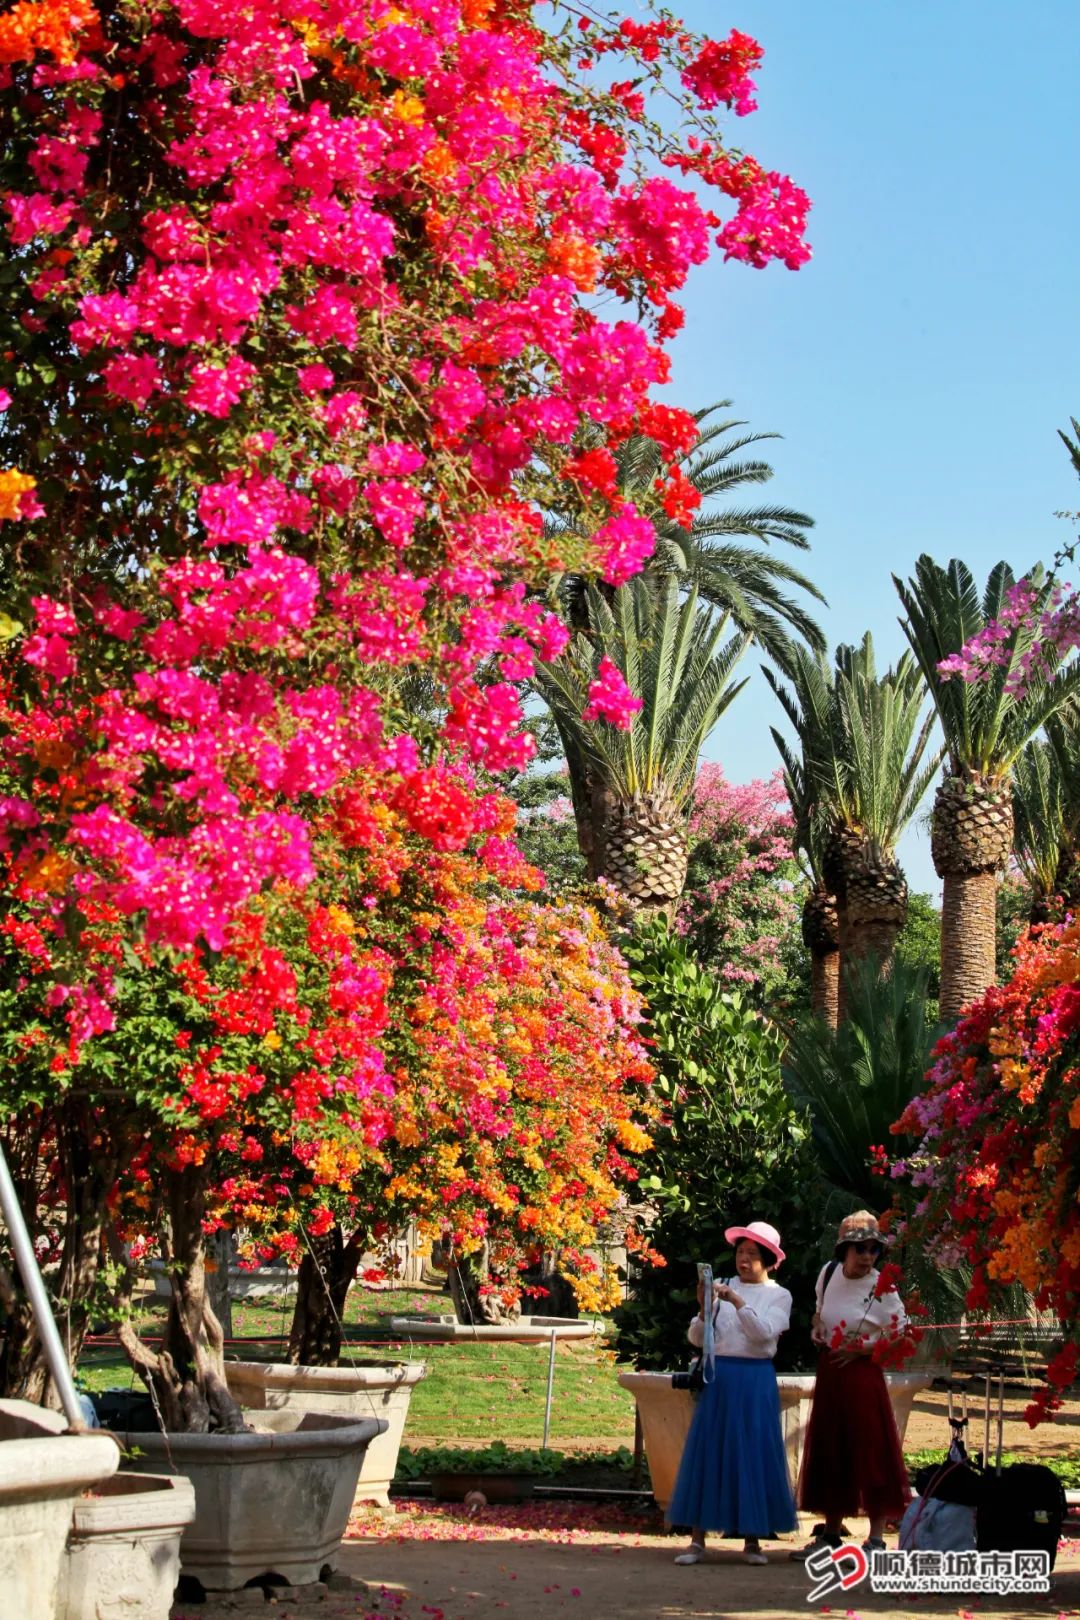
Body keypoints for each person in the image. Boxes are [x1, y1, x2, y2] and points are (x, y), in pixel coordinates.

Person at [668, 1219, 798, 1566]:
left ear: (768, 1259)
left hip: (754, 1379)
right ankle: (697, 1540)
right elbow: (697, 1338)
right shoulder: (720, 1285)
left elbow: (762, 1334)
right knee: (709, 1450)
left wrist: (739, 1302)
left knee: (752, 1453)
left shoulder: (778, 1295)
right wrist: (703, 1308)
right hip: (720, 1376)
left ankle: (752, 1541)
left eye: (753, 1254)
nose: (744, 1259)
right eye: (741, 1252)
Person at [791, 1210, 911, 1561]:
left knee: (869, 1451)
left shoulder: (882, 1285)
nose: (867, 1257)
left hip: (862, 1376)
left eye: (873, 1250)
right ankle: (830, 1535)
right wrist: (817, 1328)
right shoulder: (827, 1274)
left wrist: (862, 1349)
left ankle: (875, 1539)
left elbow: (900, 1331)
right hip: (831, 1372)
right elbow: (821, 1311)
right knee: (832, 1449)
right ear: (843, 1249)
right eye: (860, 1249)